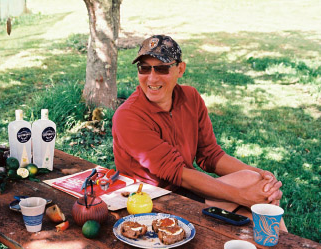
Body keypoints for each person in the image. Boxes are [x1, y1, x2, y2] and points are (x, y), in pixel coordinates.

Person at [112, 35, 286, 230]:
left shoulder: (190, 98)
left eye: (161, 68)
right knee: (252, 193)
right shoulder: (128, 116)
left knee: (255, 194)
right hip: (149, 203)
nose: (152, 78)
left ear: (180, 69)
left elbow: (210, 154)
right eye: (144, 68)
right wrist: (245, 197)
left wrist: (263, 176)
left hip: (186, 191)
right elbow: (178, 173)